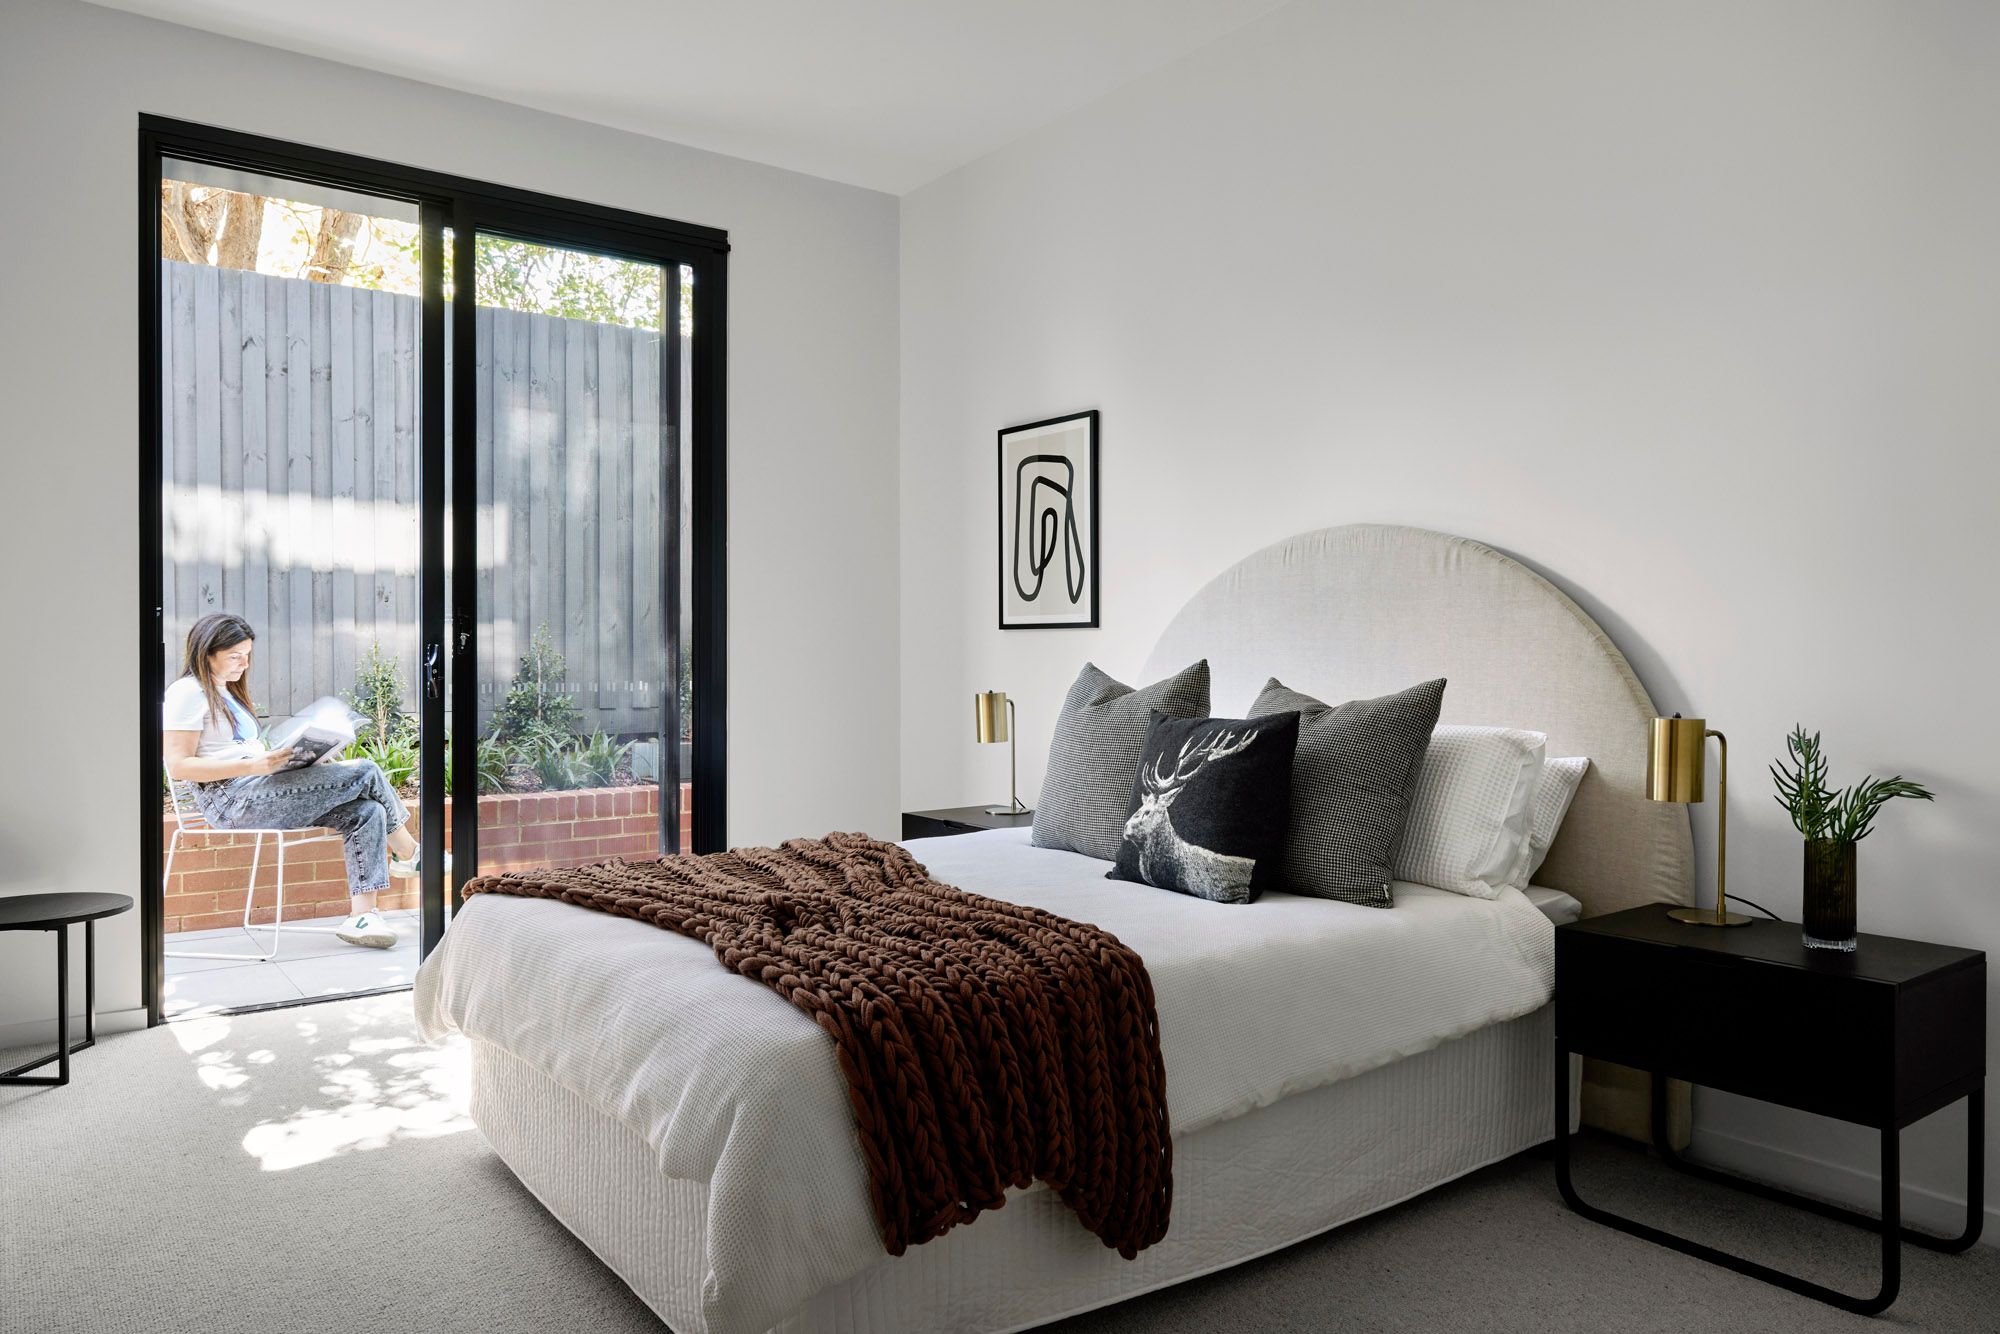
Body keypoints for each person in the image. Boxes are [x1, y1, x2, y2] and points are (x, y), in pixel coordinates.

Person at [163, 612, 438, 949]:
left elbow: (238, 753)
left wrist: (303, 761)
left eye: (247, 655)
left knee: (367, 811)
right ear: (206, 652)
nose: (244, 664)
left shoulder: (226, 693)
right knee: (365, 770)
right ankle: (410, 854)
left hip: (255, 790)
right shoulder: (187, 691)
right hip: (231, 800)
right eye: (235, 656)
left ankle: (362, 917)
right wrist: (254, 767)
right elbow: (178, 766)